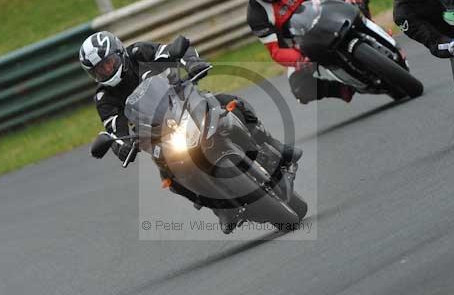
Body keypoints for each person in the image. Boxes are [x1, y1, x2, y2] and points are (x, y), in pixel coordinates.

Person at [79, 32, 301, 229]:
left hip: (184, 102)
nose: (106, 70)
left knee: (231, 103)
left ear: (119, 52)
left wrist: (193, 64)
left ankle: (273, 146)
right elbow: (114, 128)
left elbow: (175, 50)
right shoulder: (104, 98)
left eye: (108, 63)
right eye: (99, 70)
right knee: (170, 178)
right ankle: (222, 209)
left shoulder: (138, 52)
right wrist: (121, 145)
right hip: (156, 134)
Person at [240, 0, 372, 104]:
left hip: (324, 14)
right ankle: (343, 89)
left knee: (357, 1)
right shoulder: (256, 14)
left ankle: (377, 32)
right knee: (300, 89)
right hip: (303, 46)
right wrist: (299, 59)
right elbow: (275, 50)